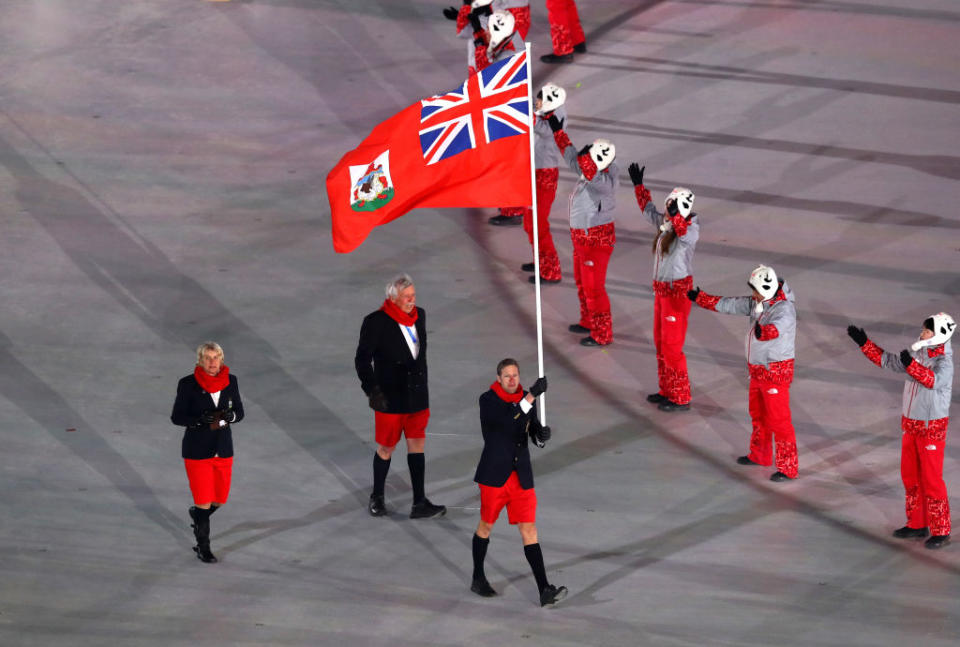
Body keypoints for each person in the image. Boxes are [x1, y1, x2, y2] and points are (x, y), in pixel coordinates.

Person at [846, 313, 955, 549]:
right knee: (911, 476)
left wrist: (912, 365)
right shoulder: (920, 354)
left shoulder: (944, 362)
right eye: (924, 329)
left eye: (927, 330)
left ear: (939, 334)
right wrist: (865, 344)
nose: (922, 333)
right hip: (912, 425)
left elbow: (932, 380)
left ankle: (941, 530)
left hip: (930, 427)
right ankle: (917, 524)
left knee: (931, 480)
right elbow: (891, 362)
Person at [470, 358, 567, 606]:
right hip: (494, 477)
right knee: (486, 526)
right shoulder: (488, 401)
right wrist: (532, 396)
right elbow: (507, 423)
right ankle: (478, 577)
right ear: (498, 378)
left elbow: (530, 428)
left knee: (529, 530)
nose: (512, 380)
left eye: (515, 375)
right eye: (507, 376)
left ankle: (544, 588)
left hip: (521, 476)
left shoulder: (526, 398)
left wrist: (541, 436)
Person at [688, 265, 799, 481]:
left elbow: (778, 328)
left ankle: (788, 468)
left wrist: (763, 332)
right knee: (758, 415)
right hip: (758, 370)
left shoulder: (784, 309)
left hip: (774, 371)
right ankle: (760, 455)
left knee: (779, 421)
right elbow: (731, 304)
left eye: (755, 290)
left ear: (766, 288)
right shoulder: (758, 303)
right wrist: (701, 298)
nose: (752, 294)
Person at [355, 274, 446, 519]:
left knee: (417, 446)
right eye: (406, 297)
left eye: (413, 296)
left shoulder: (420, 316)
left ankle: (419, 502)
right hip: (390, 398)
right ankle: (377, 496)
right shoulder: (376, 322)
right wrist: (372, 390)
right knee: (386, 447)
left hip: (416, 396)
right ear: (392, 299)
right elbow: (362, 360)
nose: (412, 301)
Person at [629, 162, 698, 411]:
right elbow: (649, 212)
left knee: (672, 347)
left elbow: (682, 231)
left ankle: (681, 396)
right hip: (662, 291)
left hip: (677, 293)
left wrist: (676, 214)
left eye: (673, 206)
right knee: (661, 343)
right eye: (669, 205)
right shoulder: (668, 224)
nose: (668, 210)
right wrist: (639, 187)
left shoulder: (690, 230)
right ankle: (666, 389)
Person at [547, 113, 618, 346]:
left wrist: (585, 157)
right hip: (582, 238)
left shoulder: (605, 180)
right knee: (582, 282)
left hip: (594, 241)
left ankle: (602, 334)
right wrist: (559, 133)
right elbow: (572, 158)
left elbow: (586, 168)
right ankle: (588, 320)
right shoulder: (592, 169)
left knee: (594, 288)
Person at [171, 342, 244, 563]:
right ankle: (204, 547)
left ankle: (198, 514)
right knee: (203, 500)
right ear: (200, 361)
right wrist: (199, 421)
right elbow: (177, 417)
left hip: (223, 449)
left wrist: (229, 417)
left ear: (221, 359)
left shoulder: (231, 381)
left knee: (220, 499)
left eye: (216, 358)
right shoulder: (188, 384)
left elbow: (239, 412)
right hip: (197, 452)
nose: (212, 363)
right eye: (208, 358)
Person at [519, 83, 567, 284]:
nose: (535, 103)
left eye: (539, 101)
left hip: (544, 176)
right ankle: (540, 260)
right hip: (535, 172)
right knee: (530, 221)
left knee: (538, 224)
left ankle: (551, 270)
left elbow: (538, 126)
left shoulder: (555, 120)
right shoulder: (547, 110)